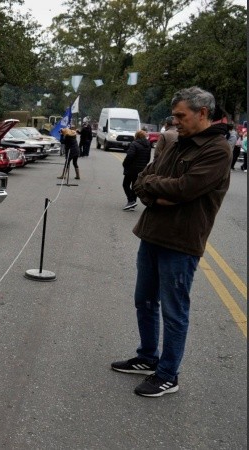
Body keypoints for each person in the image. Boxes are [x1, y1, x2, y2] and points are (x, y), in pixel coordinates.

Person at [111, 86, 231, 397]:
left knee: (174, 311)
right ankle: (148, 357)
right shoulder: (177, 142)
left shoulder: (217, 150)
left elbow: (184, 189)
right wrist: (156, 192)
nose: (174, 121)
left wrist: (159, 189)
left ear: (202, 113)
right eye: (174, 115)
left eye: (180, 115)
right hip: (152, 234)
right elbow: (142, 179)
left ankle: (167, 374)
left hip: (181, 243)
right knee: (144, 301)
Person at [121, 129, 152, 210]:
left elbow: (130, 156)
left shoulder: (134, 144)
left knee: (125, 184)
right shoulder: (148, 145)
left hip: (132, 168)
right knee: (134, 185)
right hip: (142, 168)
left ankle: (131, 200)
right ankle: (133, 203)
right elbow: (148, 158)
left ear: (136, 136)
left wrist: (125, 164)